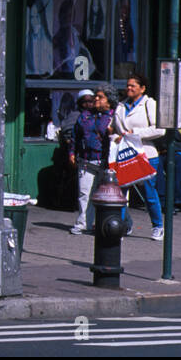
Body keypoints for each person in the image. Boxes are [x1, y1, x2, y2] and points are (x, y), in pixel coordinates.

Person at [110, 74, 168, 240]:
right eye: (127, 85)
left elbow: (159, 129)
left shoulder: (149, 104)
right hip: (126, 154)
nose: (129, 88)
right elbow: (114, 128)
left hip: (146, 154)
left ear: (142, 88)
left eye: (133, 86)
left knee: (149, 193)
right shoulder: (121, 105)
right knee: (121, 192)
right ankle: (121, 226)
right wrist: (114, 135)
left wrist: (135, 133)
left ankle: (158, 226)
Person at [67, 89, 106, 235]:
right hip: (86, 159)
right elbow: (75, 136)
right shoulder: (83, 117)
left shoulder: (109, 116)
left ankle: (120, 222)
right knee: (85, 193)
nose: (91, 103)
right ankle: (84, 223)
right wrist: (72, 152)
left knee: (109, 194)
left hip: (104, 160)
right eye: (87, 101)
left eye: (94, 100)